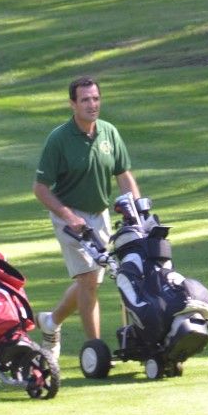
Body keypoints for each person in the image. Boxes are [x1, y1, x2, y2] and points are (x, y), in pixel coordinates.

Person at [32, 76, 140, 367]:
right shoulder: (59, 139)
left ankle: (50, 321)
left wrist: (137, 211)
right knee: (89, 281)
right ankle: (95, 350)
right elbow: (41, 188)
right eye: (85, 100)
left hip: (99, 215)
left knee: (89, 281)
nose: (92, 104)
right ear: (72, 104)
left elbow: (123, 174)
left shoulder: (109, 132)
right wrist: (69, 216)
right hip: (69, 217)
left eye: (96, 98)